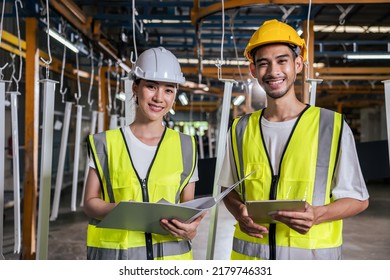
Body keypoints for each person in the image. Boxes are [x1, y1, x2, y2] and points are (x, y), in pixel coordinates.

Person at [218, 19, 369, 260]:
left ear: (298, 64)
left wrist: (318, 214)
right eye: (264, 63)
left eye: (282, 61)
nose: (273, 71)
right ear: (253, 71)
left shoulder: (332, 126)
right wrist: (239, 213)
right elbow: (228, 189)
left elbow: (358, 199)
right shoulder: (240, 129)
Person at [83, 46, 205, 260]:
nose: (159, 98)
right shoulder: (105, 143)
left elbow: (188, 208)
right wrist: (118, 209)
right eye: (151, 87)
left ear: (175, 94)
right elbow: (90, 202)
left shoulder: (186, 146)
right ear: (135, 88)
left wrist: (191, 229)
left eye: (168, 90)